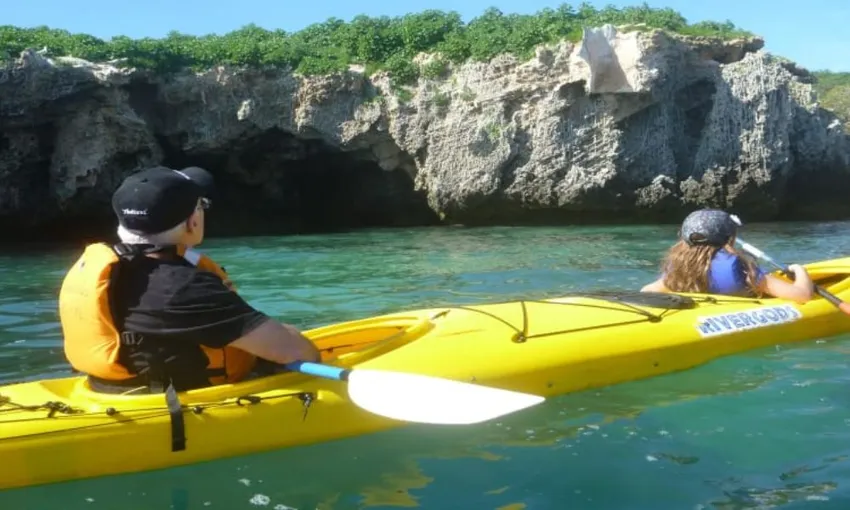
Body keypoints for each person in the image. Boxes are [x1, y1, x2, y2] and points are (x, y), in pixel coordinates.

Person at [58, 165, 321, 394]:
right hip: (175, 407)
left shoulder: (108, 268)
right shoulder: (183, 287)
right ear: (191, 223)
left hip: (110, 390)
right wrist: (289, 333)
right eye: (201, 206)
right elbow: (299, 352)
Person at [640, 208, 815, 303]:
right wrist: (800, 270)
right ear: (730, 239)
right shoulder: (740, 267)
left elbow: (646, 291)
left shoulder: (679, 267)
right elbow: (802, 295)